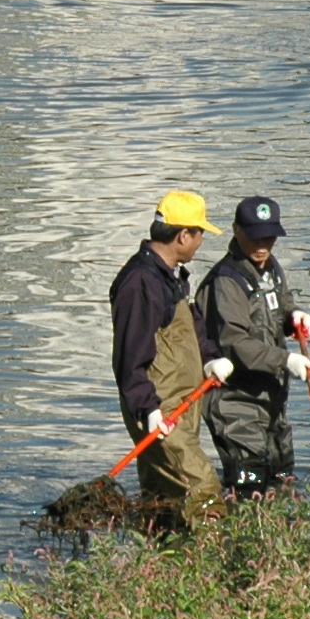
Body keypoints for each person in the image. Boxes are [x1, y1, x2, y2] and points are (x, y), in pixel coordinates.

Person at [107, 192, 225, 516]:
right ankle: (214, 562)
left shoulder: (169, 274)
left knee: (164, 499)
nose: (201, 243)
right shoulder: (139, 282)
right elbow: (128, 357)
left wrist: (211, 357)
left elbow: (189, 325)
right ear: (183, 235)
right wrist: (148, 410)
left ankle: (160, 562)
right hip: (162, 410)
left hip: (182, 406)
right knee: (204, 492)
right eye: (200, 234)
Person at [194, 194, 310, 497]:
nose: (262, 245)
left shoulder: (271, 267)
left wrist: (293, 316)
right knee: (249, 485)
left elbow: (281, 305)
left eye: (269, 237)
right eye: (254, 237)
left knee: (283, 479)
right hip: (236, 403)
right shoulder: (226, 281)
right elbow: (235, 342)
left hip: (272, 400)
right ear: (236, 230)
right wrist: (286, 361)